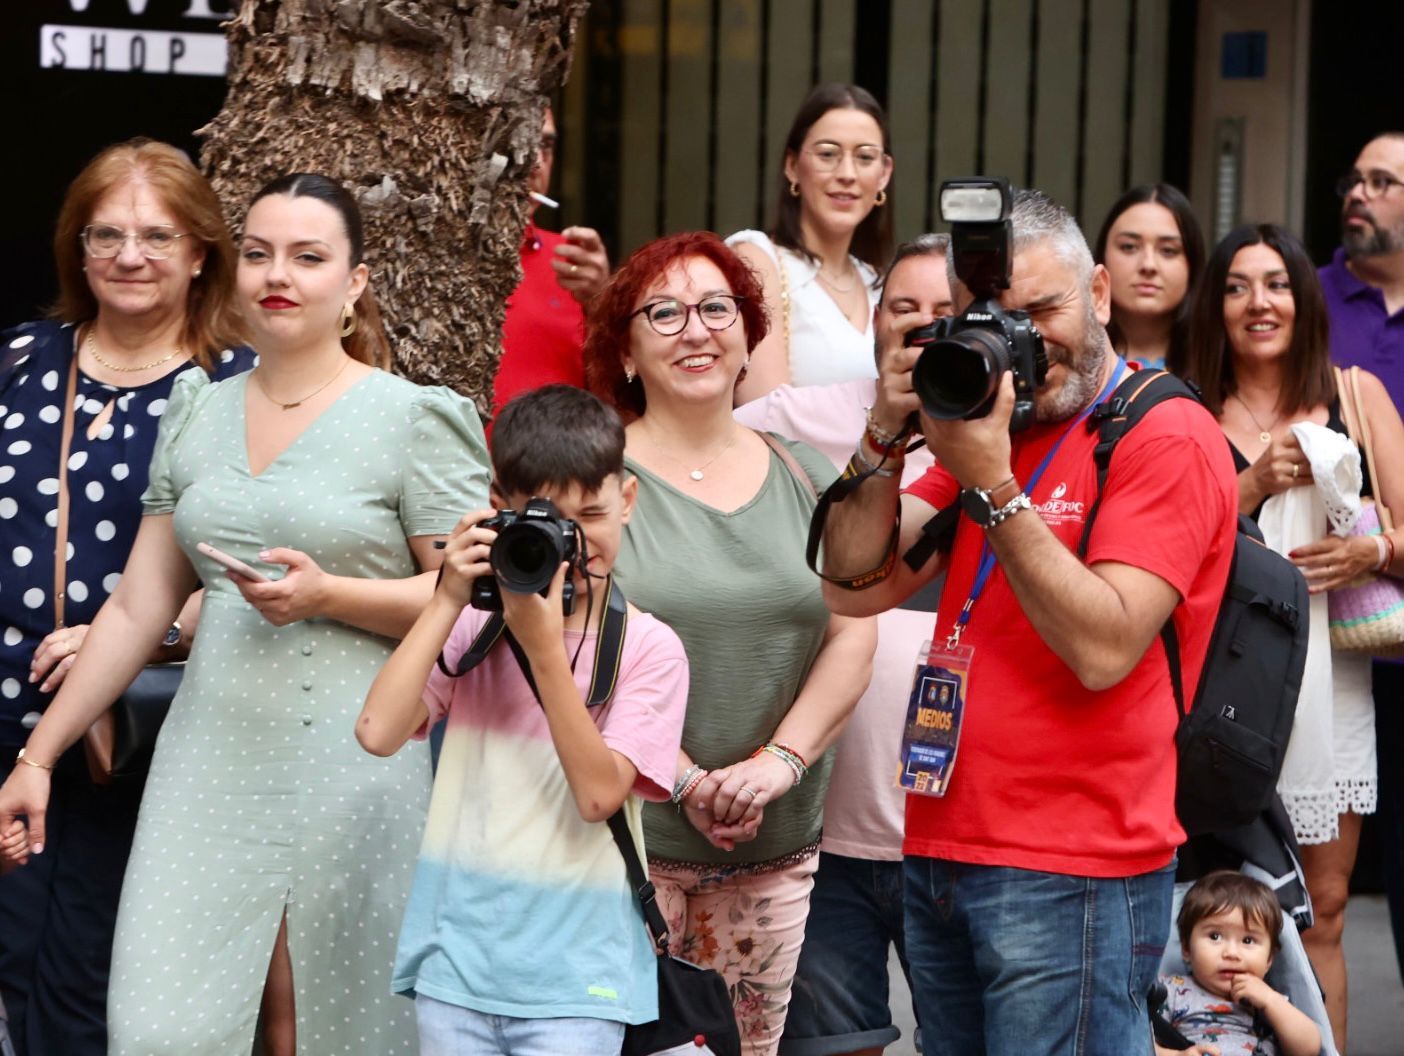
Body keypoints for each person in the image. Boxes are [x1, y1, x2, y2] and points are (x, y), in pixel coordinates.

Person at [0, 172, 490, 1055]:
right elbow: (138, 606)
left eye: (309, 257)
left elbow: (468, 601)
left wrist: (329, 595)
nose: (279, 275)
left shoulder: (415, 417)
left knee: (320, 1028)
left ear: (355, 281)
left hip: (358, 758)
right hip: (205, 760)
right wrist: (40, 755)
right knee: (157, 1026)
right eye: (259, 253)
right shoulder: (198, 407)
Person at [819, 188, 1239, 1054]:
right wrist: (882, 440)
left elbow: (1105, 646)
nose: (1021, 340)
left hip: (1072, 863)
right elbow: (852, 583)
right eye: (998, 316)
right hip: (941, 842)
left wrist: (996, 489)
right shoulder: (995, 429)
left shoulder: (1164, 434)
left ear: (1100, 291)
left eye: (1044, 309)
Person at [584, 230, 876, 1055]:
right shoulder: (593, 481)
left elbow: (855, 631)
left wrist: (773, 768)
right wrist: (684, 781)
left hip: (774, 850)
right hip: (620, 849)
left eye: (717, 308)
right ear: (628, 350)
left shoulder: (807, 475)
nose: (696, 329)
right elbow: (563, 645)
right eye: (665, 312)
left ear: (748, 336)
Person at [0, 137, 253, 1056]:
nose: (129, 256)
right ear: (77, 249)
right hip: (6, 711)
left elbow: (262, 563)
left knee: (91, 982)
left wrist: (148, 639)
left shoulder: (240, 387)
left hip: (147, 733)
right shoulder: (22, 362)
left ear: (200, 253)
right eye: (105, 235)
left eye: (156, 235)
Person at [357, 384, 689, 1056]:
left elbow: (599, 795)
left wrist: (541, 648)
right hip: (456, 968)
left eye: (591, 514)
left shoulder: (650, 649)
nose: (571, 543)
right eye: (547, 522)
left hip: (576, 979)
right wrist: (449, 597)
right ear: (498, 508)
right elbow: (377, 732)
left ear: (627, 499)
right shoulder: (475, 628)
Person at [1182, 222, 1404, 1054]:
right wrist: (1249, 482)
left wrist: (1369, 549)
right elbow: (1157, 545)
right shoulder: (1185, 403)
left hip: (1329, 687)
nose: (1258, 302)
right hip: (1218, 687)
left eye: (1275, 283)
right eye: (1237, 286)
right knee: (1210, 905)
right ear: (1216, 305)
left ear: (1304, 298)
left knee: (1326, 908)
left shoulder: (1355, 396)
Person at [734, 234, 951, 1056]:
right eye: (904, 310)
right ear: (872, 323)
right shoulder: (794, 422)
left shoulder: (1022, 436)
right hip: (824, 828)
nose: (925, 328)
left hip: (962, 840)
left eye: (946, 312)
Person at [1317, 131, 1404, 987]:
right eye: (1357, 179)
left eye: (1383, 182)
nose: (1360, 193)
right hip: (1320, 638)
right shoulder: (1303, 299)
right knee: (1319, 894)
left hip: (1399, 614)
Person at [728, 83, 894, 405]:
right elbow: (766, 414)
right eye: (828, 154)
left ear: (884, 174)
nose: (847, 173)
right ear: (792, 166)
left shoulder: (880, 284)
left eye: (864, 157)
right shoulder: (757, 258)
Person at [490, 107, 611, 421]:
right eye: (516, 142)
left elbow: (620, 397)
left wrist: (603, 302)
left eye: (545, 146)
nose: (535, 163)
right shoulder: (426, 266)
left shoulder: (573, 263)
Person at [1156, 871, 1322, 1056]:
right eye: (1215, 936)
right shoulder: (1171, 990)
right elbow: (1138, 1045)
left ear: (1269, 959)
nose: (1231, 953)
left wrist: (1270, 1001)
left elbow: (1309, 1049)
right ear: (1187, 948)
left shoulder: (1269, 999)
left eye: (1248, 940)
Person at [1092, 182, 1205, 373]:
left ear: (1192, 263)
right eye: (1129, 247)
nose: (1148, 265)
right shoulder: (1073, 360)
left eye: (1168, 250)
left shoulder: (1220, 365)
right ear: (1102, 258)